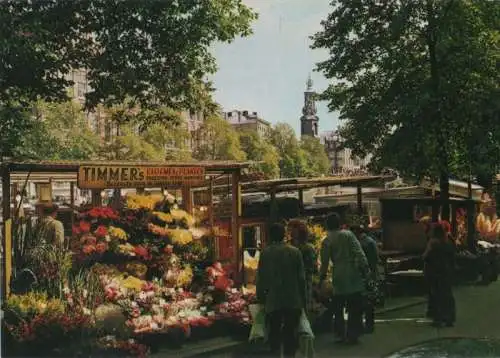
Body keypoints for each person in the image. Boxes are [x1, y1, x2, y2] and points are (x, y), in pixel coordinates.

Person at [256, 222, 306, 358]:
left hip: (274, 299)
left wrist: (260, 296)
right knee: (291, 330)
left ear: (270, 236)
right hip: (292, 298)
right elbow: (302, 278)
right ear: (284, 235)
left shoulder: (265, 253)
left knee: (274, 329)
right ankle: (290, 354)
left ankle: (275, 351)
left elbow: (261, 278)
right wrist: (304, 298)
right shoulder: (295, 252)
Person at [319, 213, 369, 345]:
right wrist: (365, 269)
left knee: (338, 307)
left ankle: (340, 333)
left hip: (338, 275)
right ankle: (353, 333)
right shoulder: (348, 234)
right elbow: (359, 252)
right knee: (354, 305)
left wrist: (322, 277)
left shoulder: (327, 240)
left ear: (327, 225)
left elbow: (324, 263)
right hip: (353, 272)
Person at [423, 221, 456, 327]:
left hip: (435, 272)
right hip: (446, 272)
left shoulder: (433, 243)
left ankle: (438, 318)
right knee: (447, 294)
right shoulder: (448, 242)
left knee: (436, 295)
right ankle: (449, 317)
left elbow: (426, 256)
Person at [351, 225, 379, 334]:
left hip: (365, 274)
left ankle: (365, 326)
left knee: (365, 301)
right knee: (369, 301)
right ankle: (369, 325)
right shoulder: (370, 241)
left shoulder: (362, 243)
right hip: (370, 273)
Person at [289, 219, 317, 314]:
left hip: (303, 283)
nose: (290, 232)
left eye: (292, 229)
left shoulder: (307, 248)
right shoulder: (290, 247)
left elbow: (311, 268)